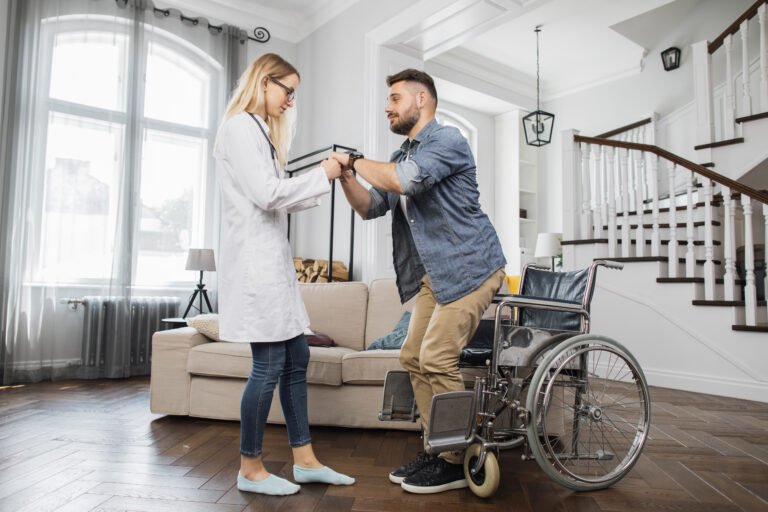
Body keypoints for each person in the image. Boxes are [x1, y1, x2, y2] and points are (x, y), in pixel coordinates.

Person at [330, 69, 506, 495]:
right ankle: (435, 447)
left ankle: (452, 458)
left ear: (421, 98)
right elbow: (371, 206)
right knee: (412, 356)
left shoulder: (448, 141)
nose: (387, 107)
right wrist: (346, 177)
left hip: (471, 267)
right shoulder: (401, 153)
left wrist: (353, 160)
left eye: (394, 98)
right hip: (435, 277)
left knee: (437, 356)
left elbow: (401, 180)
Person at [214, 53, 354, 496]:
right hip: (256, 268)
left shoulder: (259, 132)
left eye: (294, 93)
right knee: (269, 365)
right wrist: (322, 173)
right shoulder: (240, 127)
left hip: (271, 265)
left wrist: (327, 177)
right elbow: (267, 193)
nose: (291, 101)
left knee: (298, 359)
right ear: (264, 81)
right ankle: (250, 468)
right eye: (287, 90)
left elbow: (279, 197)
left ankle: (305, 460)